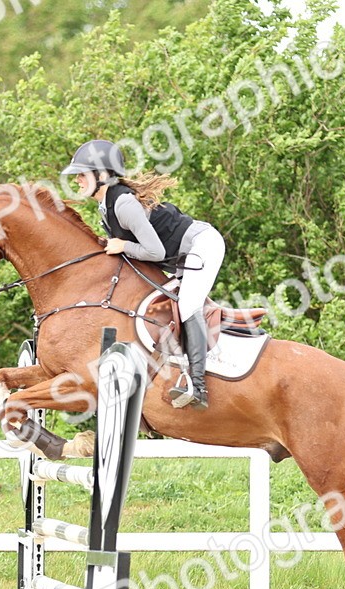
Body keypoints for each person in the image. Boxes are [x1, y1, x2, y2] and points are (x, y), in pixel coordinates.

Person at [61, 139, 223, 409]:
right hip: (181, 256)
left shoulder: (123, 204)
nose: (77, 179)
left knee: (187, 305)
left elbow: (155, 252)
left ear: (102, 176)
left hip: (202, 246)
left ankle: (198, 386)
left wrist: (122, 245)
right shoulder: (106, 205)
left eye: (82, 173)